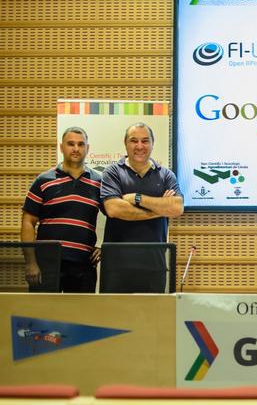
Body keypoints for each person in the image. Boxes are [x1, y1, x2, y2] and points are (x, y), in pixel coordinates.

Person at [100, 122, 183, 292]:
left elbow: (176, 208)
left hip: (154, 265)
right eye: (134, 140)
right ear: (125, 143)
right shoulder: (112, 172)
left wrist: (136, 198)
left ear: (152, 144)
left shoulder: (166, 175)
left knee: (153, 311)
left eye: (145, 141)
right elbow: (114, 209)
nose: (139, 146)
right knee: (114, 311)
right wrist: (159, 209)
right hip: (116, 266)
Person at [21, 126, 102, 292]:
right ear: (61, 147)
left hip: (84, 265)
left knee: (80, 310)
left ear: (88, 148)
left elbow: (114, 215)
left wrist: (103, 245)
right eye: (71, 144)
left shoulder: (100, 182)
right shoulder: (43, 180)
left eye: (81, 144)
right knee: (43, 309)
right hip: (46, 264)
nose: (76, 148)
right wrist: (30, 262)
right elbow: (28, 222)